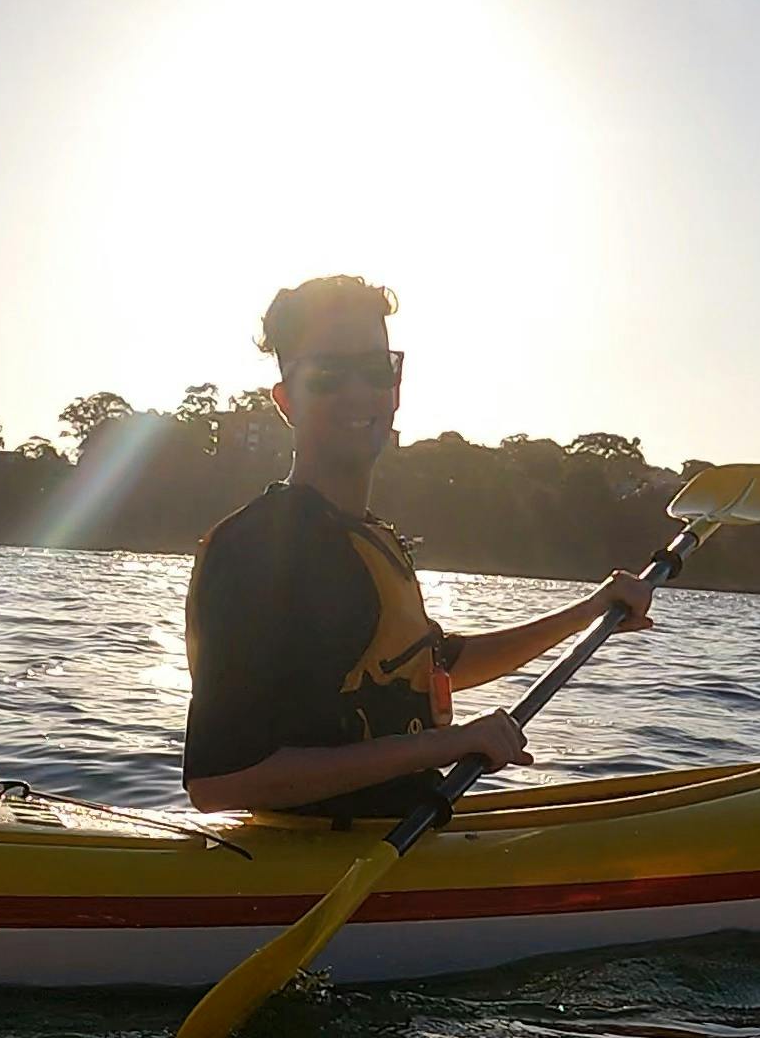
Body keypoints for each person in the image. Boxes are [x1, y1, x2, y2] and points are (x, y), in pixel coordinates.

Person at [182, 274, 659, 817]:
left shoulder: (369, 538)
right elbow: (220, 782)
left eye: (375, 369)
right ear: (287, 401)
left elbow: (438, 665)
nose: (359, 392)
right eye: (328, 375)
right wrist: (446, 744)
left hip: (402, 835)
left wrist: (589, 612)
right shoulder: (254, 549)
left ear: (397, 383)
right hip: (324, 867)